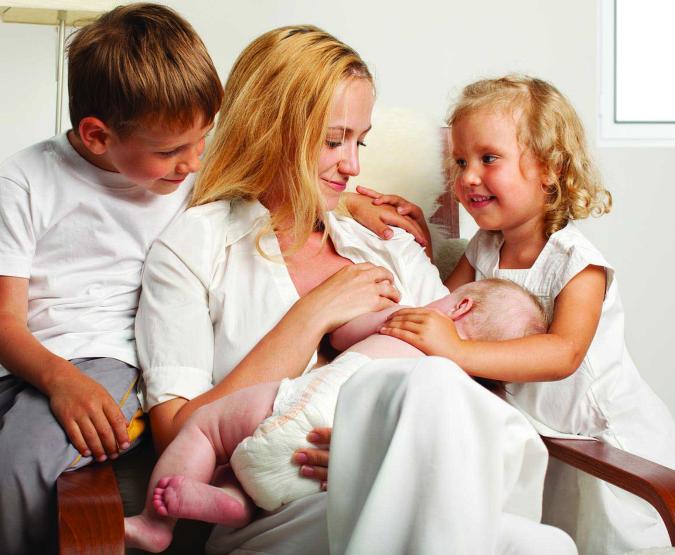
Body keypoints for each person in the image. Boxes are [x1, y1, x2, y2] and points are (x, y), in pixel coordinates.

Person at [135, 27, 575, 555]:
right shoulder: (196, 247)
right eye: (332, 140)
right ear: (270, 128)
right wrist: (310, 317)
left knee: (546, 546)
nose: (353, 165)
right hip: (273, 514)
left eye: (359, 140)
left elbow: (464, 389)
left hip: (418, 487)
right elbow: (177, 430)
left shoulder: (385, 245)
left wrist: (375, 450)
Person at [377, 74, 675, 554]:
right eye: (459, 161)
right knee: (557, 533)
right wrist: (421, 243)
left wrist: (457, 350)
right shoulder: (485, 247)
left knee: (616, 540)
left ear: (549, 168)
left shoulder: (576, 262)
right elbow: (445, 309)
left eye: (488, 159)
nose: (467, 176)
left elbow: (562, 353)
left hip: (607, 439)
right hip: (546, 437)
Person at [0, 4, 222, 553]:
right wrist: (56, 379)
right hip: (29, 359)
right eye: (172, 150)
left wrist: (357, 206)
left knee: (19, 460)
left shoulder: (192, 177)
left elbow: (282, 185)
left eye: (202, 141)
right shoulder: (24, 180)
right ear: (96, 136)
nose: (193, 163)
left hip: (110, 357)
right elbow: (6, 318)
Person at [125, 278, 547, 551]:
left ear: (460, 306)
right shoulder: (463, 379)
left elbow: (343, 333)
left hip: (304, 418)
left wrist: (375, 313)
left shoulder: (412, 321)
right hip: (324, 482)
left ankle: (163, 521)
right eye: (334, 143)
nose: (350, 164)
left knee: (209, 430)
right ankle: (236, 504)